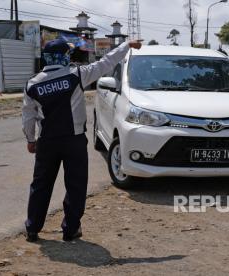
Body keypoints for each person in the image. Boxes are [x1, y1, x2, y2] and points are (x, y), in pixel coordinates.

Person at [22, 38, 142, 242]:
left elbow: (28, 116)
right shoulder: (77, 75)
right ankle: (70, 229)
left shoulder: (32, 84)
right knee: (76, 185)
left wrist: (31, 139)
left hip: (47, 142)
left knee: (40, 185)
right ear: (64, 57)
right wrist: (126, 45)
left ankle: (32, 228)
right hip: (74, 141)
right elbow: (106, 62)